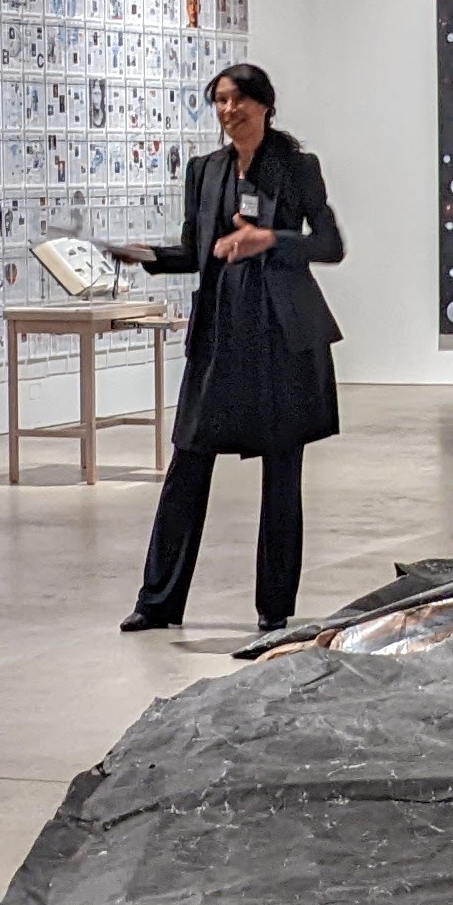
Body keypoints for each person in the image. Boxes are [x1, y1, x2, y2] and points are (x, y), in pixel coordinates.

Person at [115, 63, 345, 634]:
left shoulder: (297, 168)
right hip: (220, 333)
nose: (227, 110)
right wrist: (146, 256)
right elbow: (198, 251)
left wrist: (270, 238)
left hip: (282, 337)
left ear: (265, 105)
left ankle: (274, 611)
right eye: (219, 100)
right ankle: (158, 602)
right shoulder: (204, 171)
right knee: (187, 465)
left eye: (238, 99)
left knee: (281, 474)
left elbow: (330, 244)